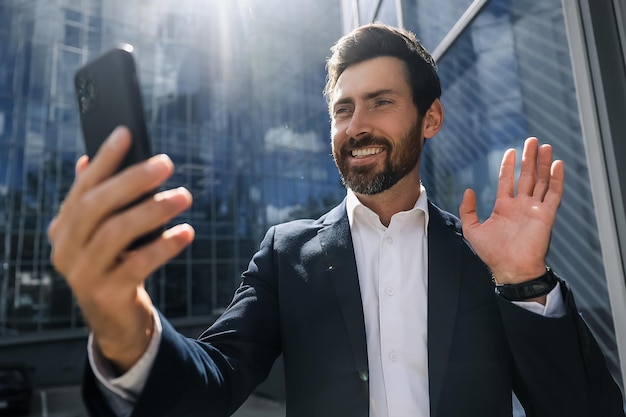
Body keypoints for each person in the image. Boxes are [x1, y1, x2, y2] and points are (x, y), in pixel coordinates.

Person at [48, 23, 624, 417]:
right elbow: (213, 378)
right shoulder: (285, 254)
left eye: (381, 102)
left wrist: (524, 280)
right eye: (343, 109)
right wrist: (125, 325)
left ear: (432, 119)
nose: (357, 125)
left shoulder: (488, 255)